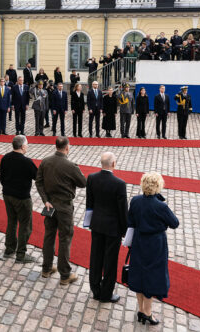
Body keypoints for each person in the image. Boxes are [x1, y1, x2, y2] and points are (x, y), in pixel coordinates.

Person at [126, 172, 179, 326]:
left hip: (139, 241)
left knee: (139, 273)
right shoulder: (160, 206)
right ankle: (147, 313)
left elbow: (130, 221)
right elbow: (175, 223)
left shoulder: (135, 201)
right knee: (151, 276)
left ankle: (141, 309)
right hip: (155, 244)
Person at [36, 137, 86, 286]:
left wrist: (45, 199)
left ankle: (46, 268)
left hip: (49, 206)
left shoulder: (45, 161)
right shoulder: (70, 165)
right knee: (65, 238)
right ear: (67, 148)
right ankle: (65, 275)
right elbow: (83, 183)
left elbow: (38, 182)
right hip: (64, 207)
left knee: (49, 235)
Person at [86, 152, 128, 303]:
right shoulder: (119, 184)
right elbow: (123, 210)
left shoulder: (91, 178)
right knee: (110, 261)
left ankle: (95, 289)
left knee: (95, 258)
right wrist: (125, 230)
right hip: (112, 228)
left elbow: (89, 203)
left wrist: (89, 221)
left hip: (96, 224)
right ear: (114, 164)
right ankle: (106, 293)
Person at [0, 135, 38, 263]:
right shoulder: (27, 162)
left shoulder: (5, 158)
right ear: (22, 146)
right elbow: (37, 176)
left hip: (7, 195)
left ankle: (9, 249)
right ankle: (21, 254)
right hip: (22, 198)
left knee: (11, 222)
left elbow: (2, 178)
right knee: (25, 225)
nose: (27, 146)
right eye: (26, 144)